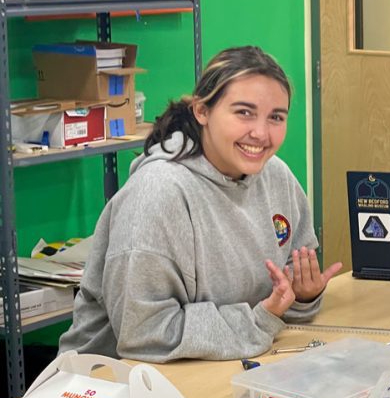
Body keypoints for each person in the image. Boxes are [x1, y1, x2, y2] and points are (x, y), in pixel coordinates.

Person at [59, 46, 342, 363]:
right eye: (244, 112)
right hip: (111, 385)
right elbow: (143, 334)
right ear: (202, 111)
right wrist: (259, 319)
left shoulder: (276, 175)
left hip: (226, 363)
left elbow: (280, 308)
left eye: (276, 117)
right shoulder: (158, 192)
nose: (261, 133)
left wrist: (302, 297)